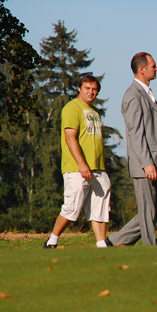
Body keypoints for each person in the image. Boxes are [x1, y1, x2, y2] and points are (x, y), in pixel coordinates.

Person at [106, 52, 157, 246]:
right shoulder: (133, 96)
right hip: (146, 164)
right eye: (153, 65)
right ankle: (150, 247)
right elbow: (135, 133)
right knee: (147, 210)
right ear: (141, 69)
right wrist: (147, 163)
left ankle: (115, 241)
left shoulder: (146, 93)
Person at [44, 75, 111, 248]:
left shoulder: (95, 112)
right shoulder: (71, 108)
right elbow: (70, 138)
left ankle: (101, 244)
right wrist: (82, 164)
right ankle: (52, 240)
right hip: (76, 168)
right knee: (71, 208)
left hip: (98, 167)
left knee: (101, 209)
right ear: (79, 89)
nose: (91, 92)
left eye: (94, 89)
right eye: (87, 88)